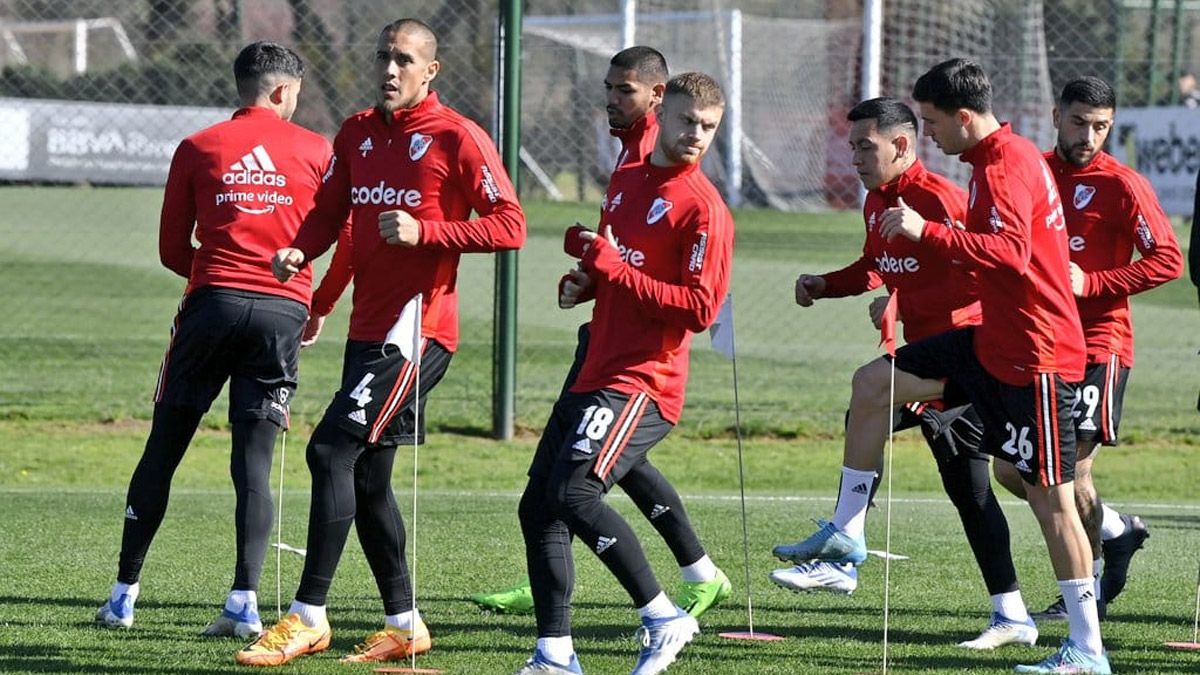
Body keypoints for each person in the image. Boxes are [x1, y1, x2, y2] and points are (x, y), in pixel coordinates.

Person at [772, 59, 1111, 673]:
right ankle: (847, 536)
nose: (927, 134)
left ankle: (1087, 647)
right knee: (872, 385)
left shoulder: (1003, 165)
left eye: (930, 122)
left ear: (963, 116)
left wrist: (925, 233)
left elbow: (1010, 254)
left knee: (1050, 502)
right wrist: (851, 284)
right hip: (990, 345)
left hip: (1034, 354)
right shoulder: (989, 162)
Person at [234, 18, 526, 666]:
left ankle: (308, 615)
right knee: (367, 480)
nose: (390, 70)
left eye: (404, 60)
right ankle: (405, 623)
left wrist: (429, 232)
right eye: (382, 57)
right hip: (367, 332)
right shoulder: (357, 132)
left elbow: (511, 224)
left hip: (416, 335)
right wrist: (303, 258)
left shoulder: (457, 136)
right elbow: (333, 215)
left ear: (431, 71)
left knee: (328, 450)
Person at [471, 46, 731, 621]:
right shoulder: (631, 166)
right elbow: (623, 256)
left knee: (578, 484)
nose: (612, 99)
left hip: (640, 366)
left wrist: (612, 269)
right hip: (604, 345)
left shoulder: (682, 179)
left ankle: (662, 611)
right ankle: (571, 610)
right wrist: (589, 279)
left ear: (656, 100)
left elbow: (691, 301)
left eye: (624, 90)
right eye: (609, 88)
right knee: (571, 483)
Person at [769, 96, 1036, 650]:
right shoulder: (876, 201)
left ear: (901, 144)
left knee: (969, 485)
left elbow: (990, 273)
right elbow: (876, 265)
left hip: (967, 362)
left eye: (864, 147)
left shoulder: (940, 199)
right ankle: (844, 554)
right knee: (871, 411)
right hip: (924, 359)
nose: (854, 159)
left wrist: (904, 305)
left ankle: (1024, 600)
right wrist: (825, 285)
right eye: (851, 148)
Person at [93, 41, 333, 639]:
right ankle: (244, 603)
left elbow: (171, 248)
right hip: (283, 311)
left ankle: (123, 596)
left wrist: (217, 277)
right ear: (284, 91)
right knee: (253, 461)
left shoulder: (198, 146)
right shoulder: (317, 150)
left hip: (210, 306)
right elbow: (341, 233)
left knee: (164, 446)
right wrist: (314, 302)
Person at [995, 76, 1180, 621]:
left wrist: (1093, 282)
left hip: (1100, 344)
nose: (1089, 136)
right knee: (1011, 469)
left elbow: (1167, 259)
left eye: (1101, 126)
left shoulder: (1123, 185)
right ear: (1057, 117)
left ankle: (1087, 594)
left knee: (1070, 472)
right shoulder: (1032, 172)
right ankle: (1116, 529)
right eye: (1079, 123)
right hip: (1041, 342)